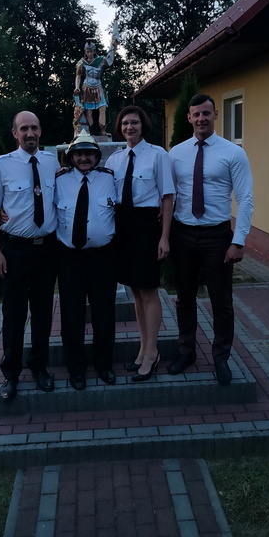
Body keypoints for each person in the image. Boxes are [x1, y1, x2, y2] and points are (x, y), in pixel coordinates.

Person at [168, 94, 253, 385]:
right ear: (189, 118)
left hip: (217, 236)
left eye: (206, 113)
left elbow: (245, 198)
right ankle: (186, 352)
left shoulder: (233, 153)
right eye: (196, 114)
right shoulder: (176, 153)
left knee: (221, 301)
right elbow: (169, 196)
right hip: (183, 234)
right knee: (184, 298)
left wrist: (238, 241)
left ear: (216, 114)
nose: (201, 119)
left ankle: (221, 358)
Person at [0, 111, 59, 401]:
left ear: (40, 131)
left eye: (34, 128)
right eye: (24, 128)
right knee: (14, 314)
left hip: (47, 249)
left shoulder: (52, 162)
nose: (30, 133)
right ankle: (11, 373)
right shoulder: (1, 165)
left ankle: (39, 367)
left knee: (43, 312)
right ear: (15, 133)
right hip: (15, 250)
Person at [105, 106, 174, 382]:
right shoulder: (115, 160)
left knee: (148, 290)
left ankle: (152, 351)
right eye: (125, 123)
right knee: (135, 291)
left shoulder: (158, 155)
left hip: (147, 228)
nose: (129, 127)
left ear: (143, 125)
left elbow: (167, 197)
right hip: (123, 228)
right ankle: (143, 348)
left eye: (134, 122)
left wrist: (164, 237)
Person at [56, 130, 117, 390]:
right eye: (78, 154)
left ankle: (104, 365)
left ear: (97, 156)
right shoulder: (58, 181)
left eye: (89, 154)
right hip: (70, 258)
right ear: (71, 157)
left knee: (104, 313)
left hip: (103, 258)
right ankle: (76, 369)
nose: (83, 158)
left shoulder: (110, 179)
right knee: (72, 315)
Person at [73, 17, 119, 136]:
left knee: (102, 107)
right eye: (87, 52)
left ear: (94, 51)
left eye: (91, 51)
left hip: (98, 85)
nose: (89, 54)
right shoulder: (81, 63)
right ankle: (90, 131)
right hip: (87, 86)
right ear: (85, 52)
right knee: (88, 110)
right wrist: (77, 87)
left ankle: (103, 130)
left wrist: (113, 46)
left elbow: (109, 60)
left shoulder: (100, 60)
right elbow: (78, 76)